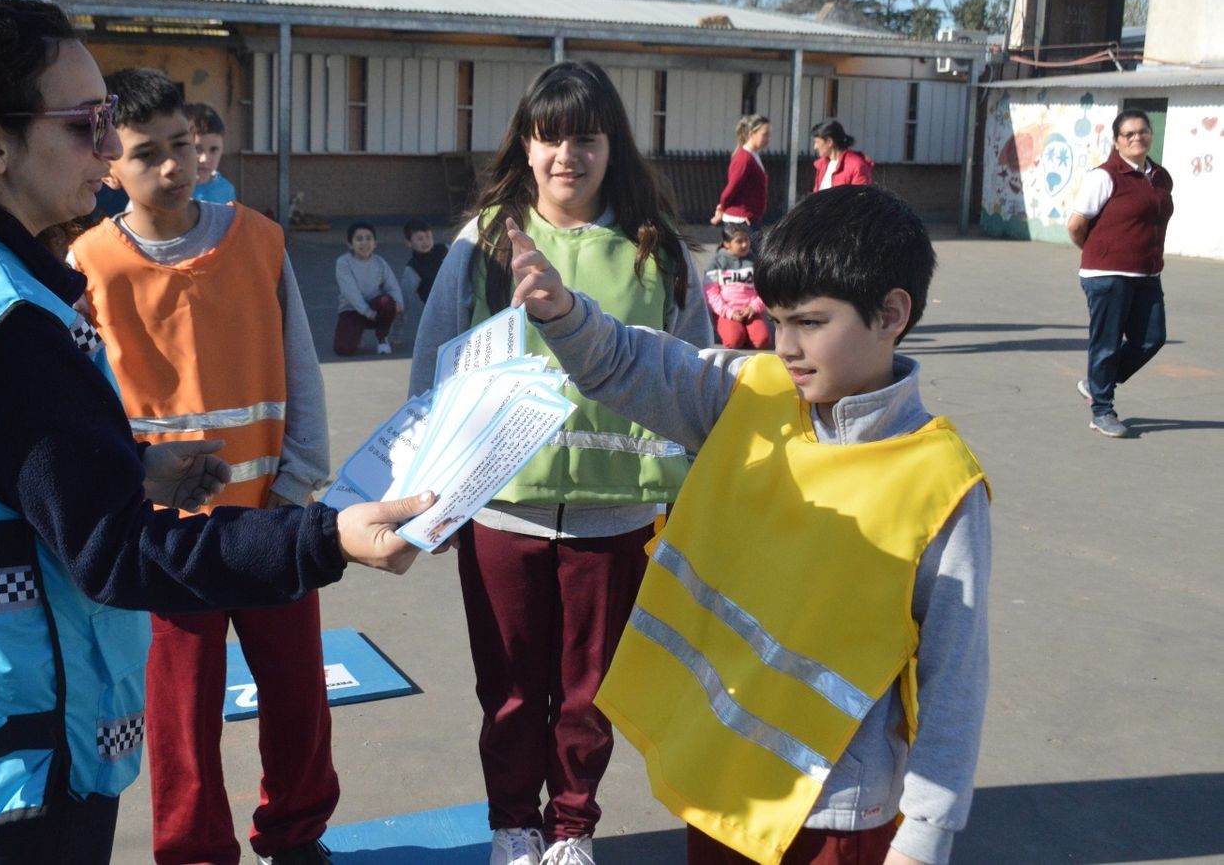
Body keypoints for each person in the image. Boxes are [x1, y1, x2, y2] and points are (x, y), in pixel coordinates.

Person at [0, 0, 432, 865]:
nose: (108, 150)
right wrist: (325, 538)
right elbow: (116, 553)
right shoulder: (9, 329)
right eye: (83, 125)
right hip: (25, 748)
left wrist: (130, 468)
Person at [505, 185, 991, 865]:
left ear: (891, 314)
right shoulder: (752, 391)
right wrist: (563, 314)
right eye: (777, 320)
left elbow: (954, 678)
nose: (784, 345)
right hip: (723, 785)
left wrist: (925, 834)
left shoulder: (943, 484)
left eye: (810, 323)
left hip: (837, 810)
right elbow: (631, 362)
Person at [410, 60, 711, 865]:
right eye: (550, 137)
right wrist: (424, 495)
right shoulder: (482, 244)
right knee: (508, 690)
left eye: (585, 136)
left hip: (618, 517)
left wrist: (696, 503)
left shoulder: (659, 252)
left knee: (589, 694)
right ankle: (515, 822)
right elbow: (431, 367)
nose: (566, 155)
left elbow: (700, 378)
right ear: (526, 143)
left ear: (613, 145)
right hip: (500, 508)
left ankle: (572, 828)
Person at [69, 68, 337, 865]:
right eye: (145, 153)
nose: (171, 167)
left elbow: (303, 370)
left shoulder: (258, 239)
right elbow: (87, 407)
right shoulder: (87, 265)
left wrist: (298, 485)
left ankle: (295, 833)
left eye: (181, 145)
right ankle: (194, 851)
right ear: (109, 165)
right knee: (182, 715)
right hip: (165, 540)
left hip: (272, 517)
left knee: (298, 697)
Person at [1065, 108, 1173, 438]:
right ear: (1117, 141)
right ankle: (1101, 410)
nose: (1137, 137)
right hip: (1107, 273)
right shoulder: (1106, 176)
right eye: (1129, 134)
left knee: (1152, 338)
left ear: (1150, 134)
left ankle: (1097, 383)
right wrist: (1100, 253)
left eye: (1143, 131)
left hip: (1147, 273)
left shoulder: (1160, 177)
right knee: (1107, 344)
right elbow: (1077, 224)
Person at [334, 222, 403, 356]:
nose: (364, 243)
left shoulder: (380, 262)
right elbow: (350, 292)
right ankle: (357, 333)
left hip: (375, 309)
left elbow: (392, 285)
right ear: (350, 244)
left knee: (387, 301)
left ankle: (382, 338)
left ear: (375, 243)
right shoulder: (343, 262)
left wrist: (398, 302)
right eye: (359, 239)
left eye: (369, 238)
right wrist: (366, 312)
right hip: (352, 310)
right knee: (343, 349)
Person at [703, 225, 770, 350]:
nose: (744, 244)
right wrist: (729, 313)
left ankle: (746, 332)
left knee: (763, 341)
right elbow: (711, 294)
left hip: (751, 311)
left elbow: (764, 288)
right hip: (727, 312)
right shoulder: (715, 263)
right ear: (727, 244)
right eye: (739, 241)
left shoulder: (756, 262)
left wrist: (754, 307)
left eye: (747, 240)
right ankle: (736, 331)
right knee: (734, 342)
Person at [710, 114, 770, 230]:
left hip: (750, 219)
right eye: (764, 135)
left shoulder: (754, 155)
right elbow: (731, 188)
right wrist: (722, 207)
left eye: (769, 135)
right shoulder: (744, 158)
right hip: (741, 220)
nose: (768, 139)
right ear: (752, 134)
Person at [185, 101, 238, 204]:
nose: (204, 159)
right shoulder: (173, 190)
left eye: (213, 149)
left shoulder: (226, 191)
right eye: (197, 149)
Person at [810, 119, 873, 191]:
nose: (815, 147)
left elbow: (860, 199)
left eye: (817, 142)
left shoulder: (856, 166)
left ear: (829, 142)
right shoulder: (822, 165)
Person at [401, 217, 449, 306]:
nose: (425, 241)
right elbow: (404, 298)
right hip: (436, 307)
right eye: (420, 238)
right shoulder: (413, 268)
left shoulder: (444, 249)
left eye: (428, 237)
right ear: (409, 243)